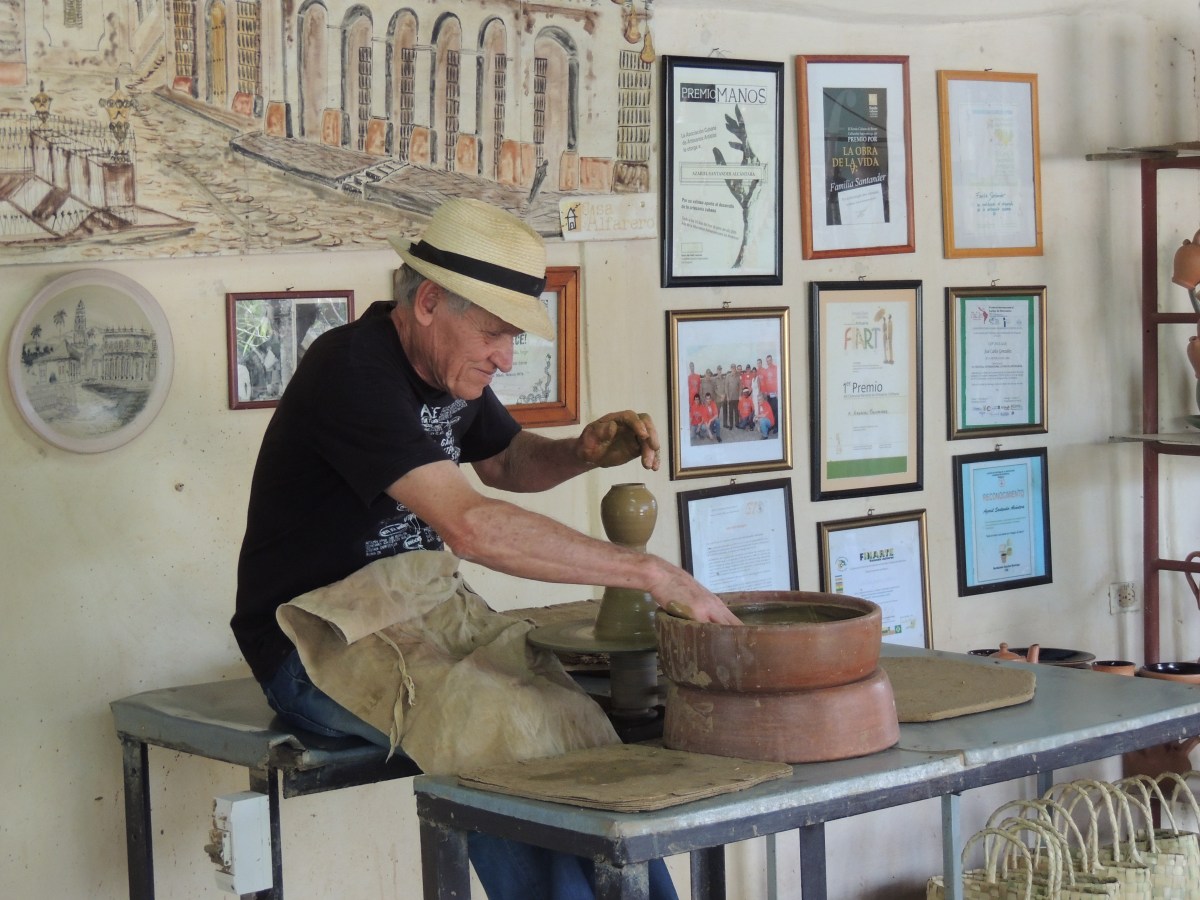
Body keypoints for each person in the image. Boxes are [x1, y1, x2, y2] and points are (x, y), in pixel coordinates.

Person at [232, 197, 738, 900]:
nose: (507, 356)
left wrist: (583, 453)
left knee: (577, 720)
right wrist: (648, 570)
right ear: (432, 300)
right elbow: (471, 524)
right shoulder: (351, 369)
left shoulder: (445, 368)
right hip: (315, 636)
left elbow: (504, 464)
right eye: (497, 334)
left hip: (420, 607)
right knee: (503, 732)